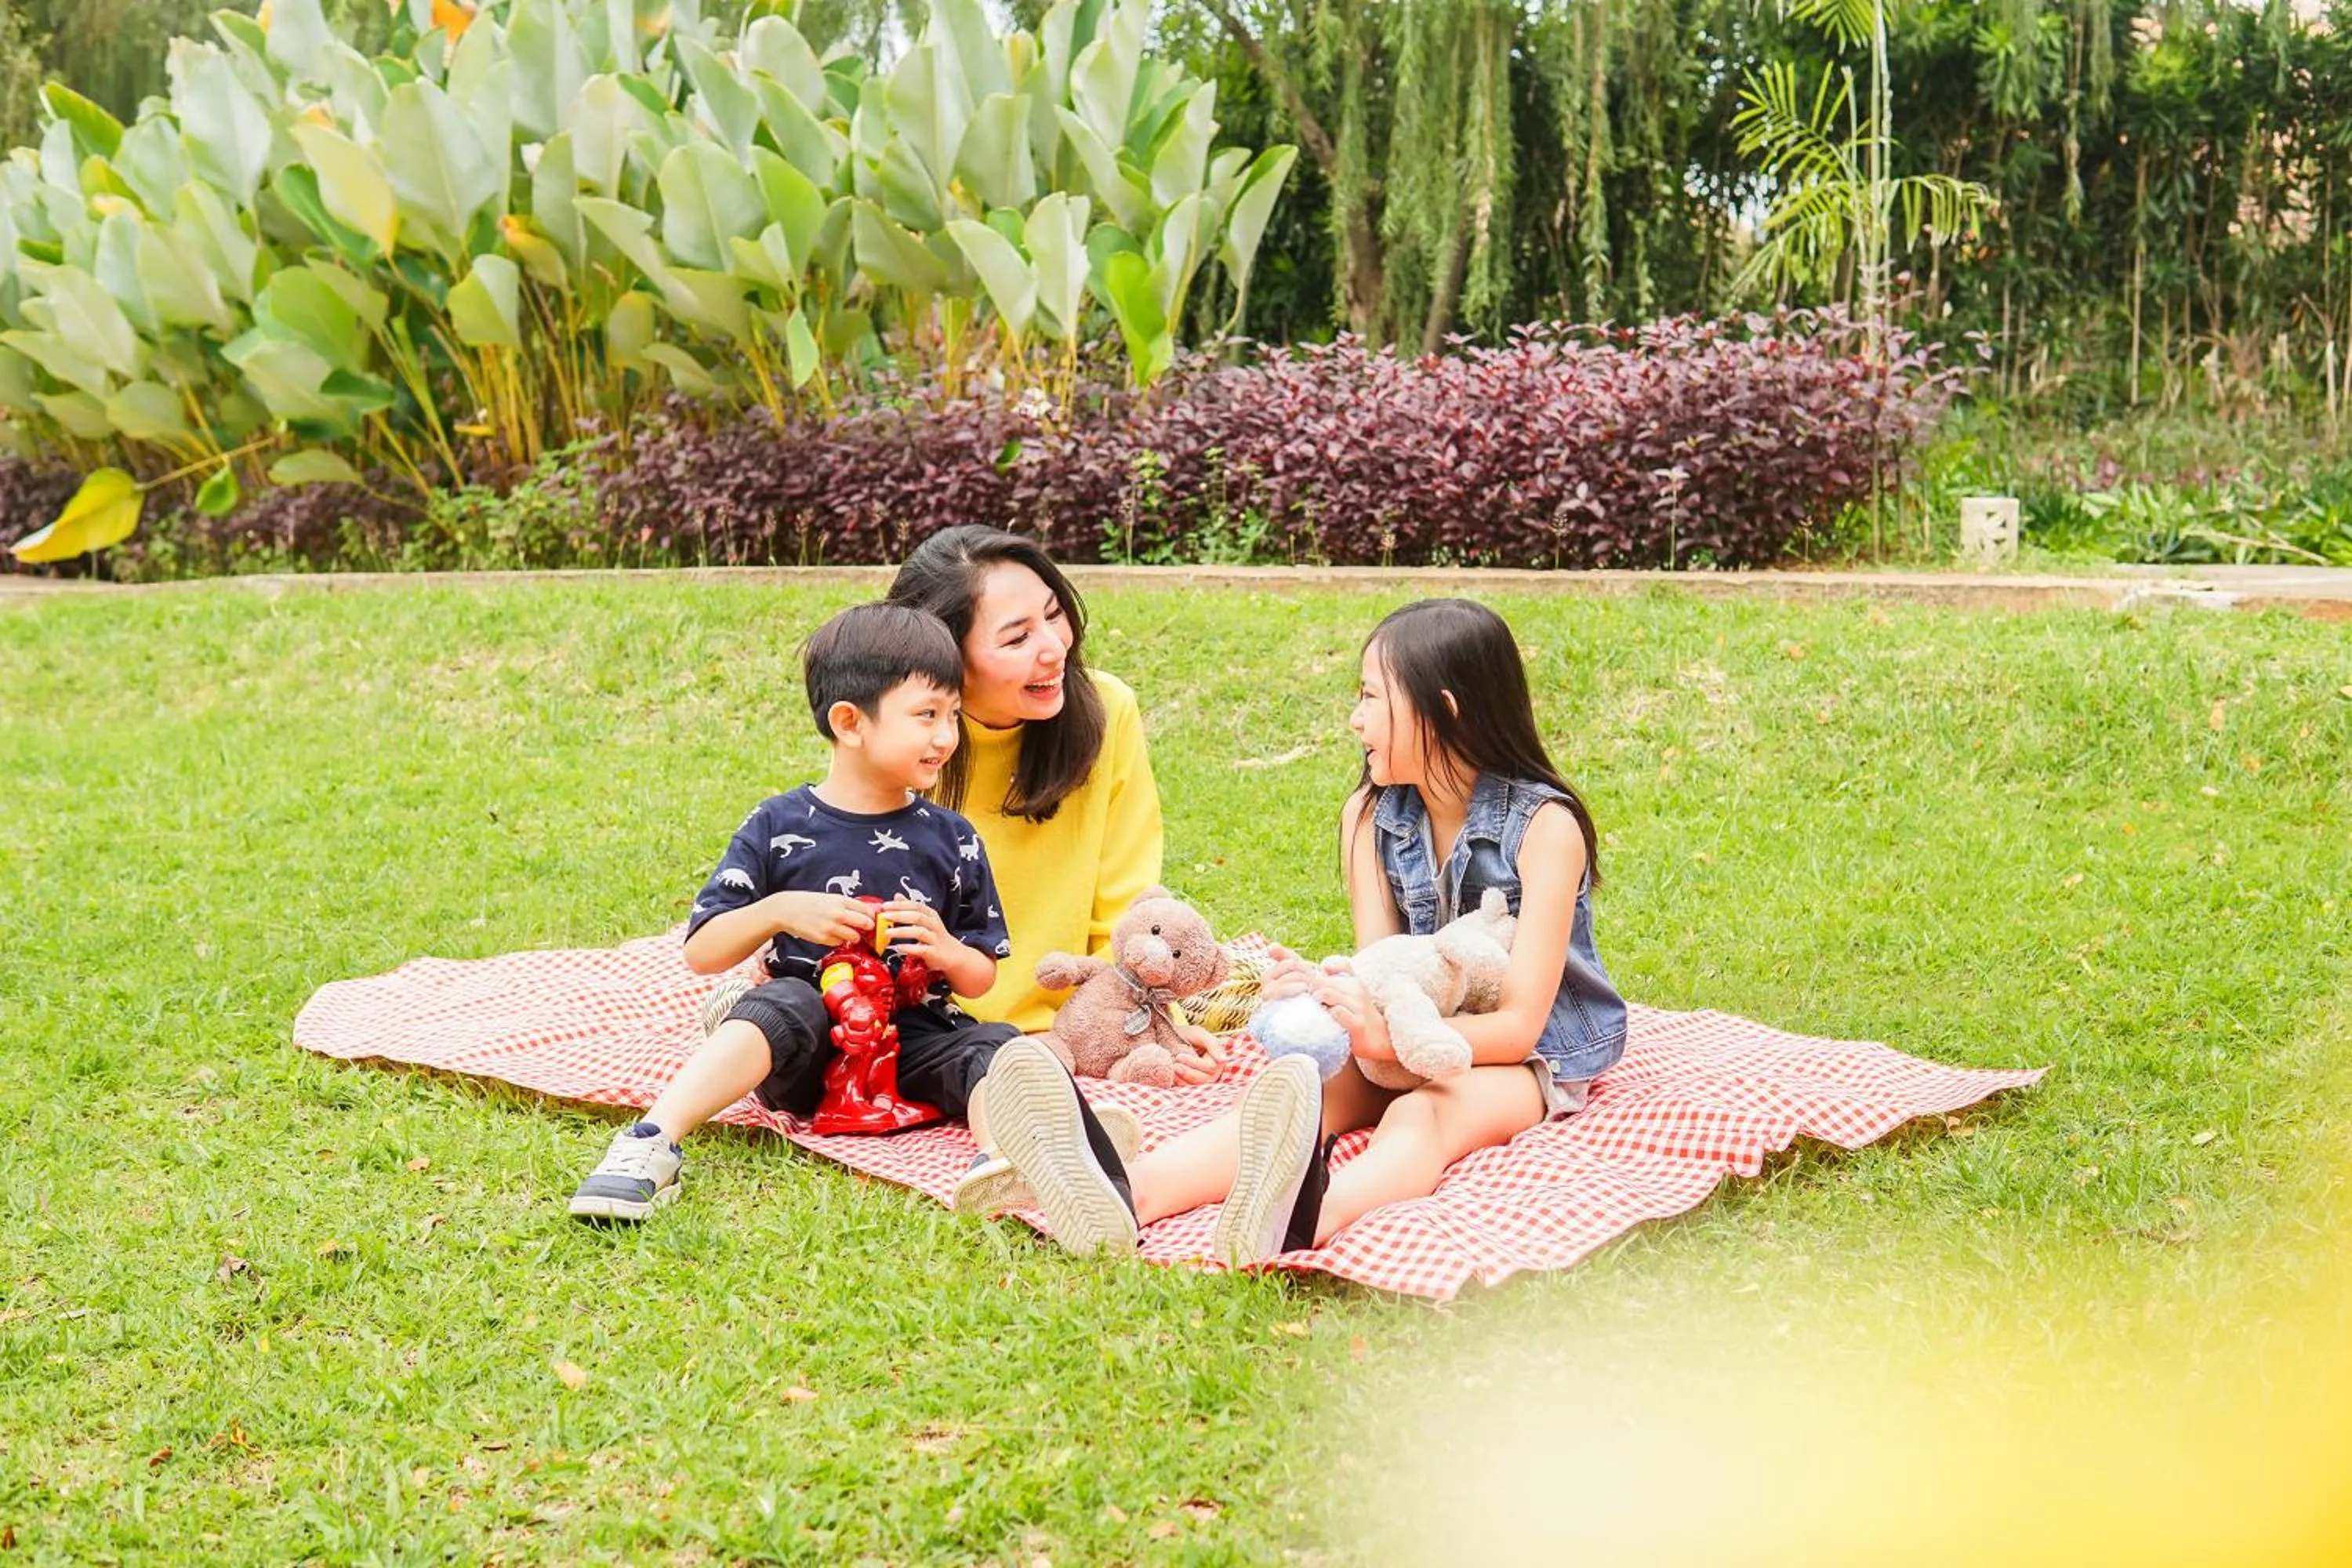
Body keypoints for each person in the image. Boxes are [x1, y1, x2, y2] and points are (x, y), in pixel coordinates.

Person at [972, 597, 1627, 1262]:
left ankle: (1302, 1220)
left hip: (1526, 1056)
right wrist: (1326, 992)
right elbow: (1381, 967)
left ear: (1444, 710)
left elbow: (1519, 1025)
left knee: (1426, 1112)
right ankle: (1125, 1195)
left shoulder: (1546, 829)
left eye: (1371, 697)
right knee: (1303, 1093)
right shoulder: (1370, 816)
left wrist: (1384, 1036)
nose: (1355, 719)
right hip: (1405, 1031)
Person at [569, 601, 1028, 1221]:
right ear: (849, 722)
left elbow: (981, 975)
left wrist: (947, 950)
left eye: (953, 714)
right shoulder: (778, 824)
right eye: (926, 715)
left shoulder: (954, 838)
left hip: (910, 1046)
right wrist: (779, 911)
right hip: (804, 1049)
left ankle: (1000, 1160)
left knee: (995, 1045)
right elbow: (702, 951)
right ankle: (651, 1141)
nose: (947, 736)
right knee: (783, 1001)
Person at [885, 527, 1225, 1214]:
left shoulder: (1106, 710)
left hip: (1075, 1011)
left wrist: (1145, 1010)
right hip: (945, 1020)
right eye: (1016, 638)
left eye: (1053, 614)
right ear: (946, 660)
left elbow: (1125, 888)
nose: (1053, 647)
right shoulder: (904, 741)